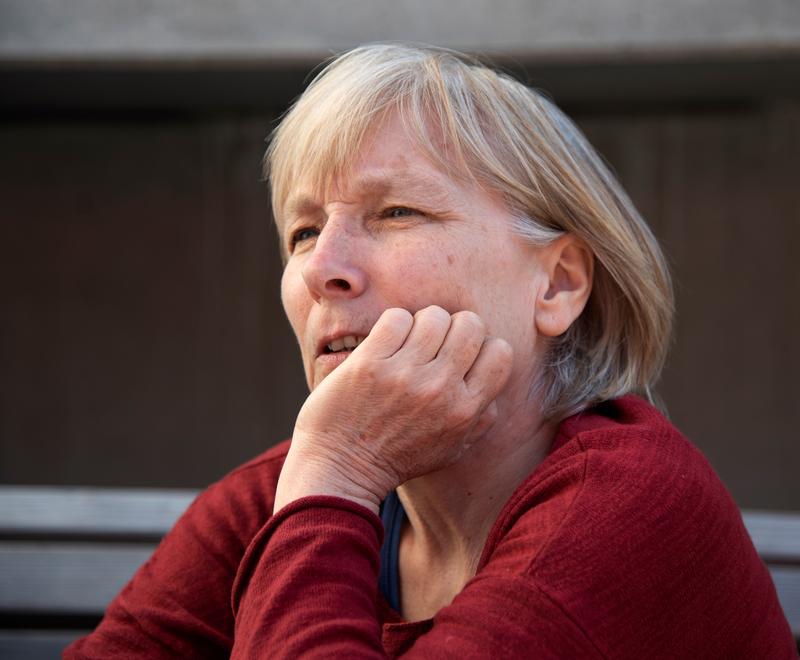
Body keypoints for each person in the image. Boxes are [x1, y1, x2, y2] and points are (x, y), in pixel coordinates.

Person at [65, 43, 795, 658]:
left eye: (396, 212)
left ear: (559, 285)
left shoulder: (628, 508)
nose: (325, 268)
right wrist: (334, 477)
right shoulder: (292, 492)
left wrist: (338, 477)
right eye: (305, 231)